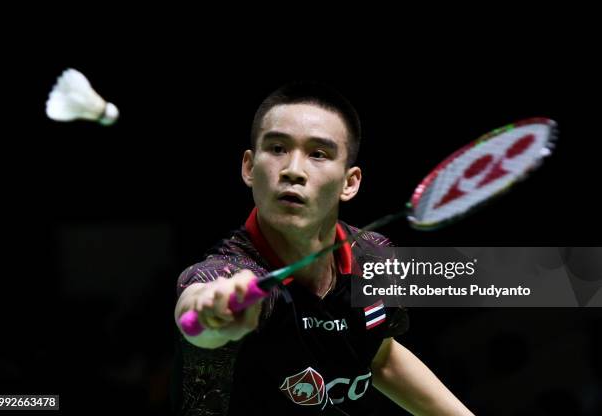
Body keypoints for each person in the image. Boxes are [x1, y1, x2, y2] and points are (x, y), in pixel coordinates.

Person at [173, 82, 474, 415]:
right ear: (248, 167)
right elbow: (200, 306)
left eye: (318, 154)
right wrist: (212, 313)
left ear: (350, 182)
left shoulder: (373, 257)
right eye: (276, 148)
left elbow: (381, 357)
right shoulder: (230, 269)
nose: (293, 170)